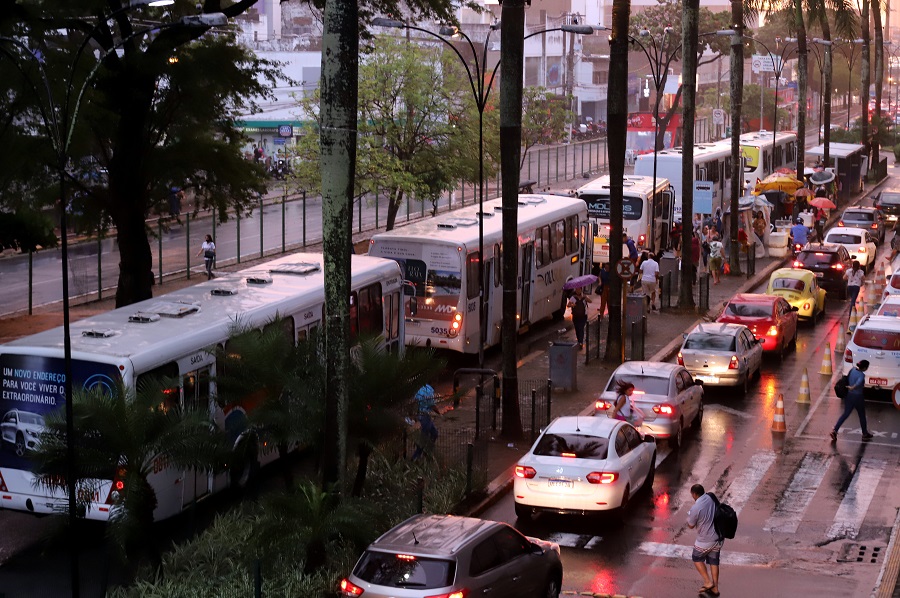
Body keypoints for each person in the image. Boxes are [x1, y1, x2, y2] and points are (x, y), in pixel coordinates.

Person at [687, 484, 723, 597]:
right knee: (713, 562)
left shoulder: (695, 508)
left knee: (696, 558)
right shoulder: (710, 497)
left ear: (694, 494)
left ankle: (708, 582)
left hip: (705, 540)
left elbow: (691, 525)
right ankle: (715, 589)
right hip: (718, 537)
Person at [831, 360, 874, 442]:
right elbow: (858, 383)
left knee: (845, 414)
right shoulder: (861, 375)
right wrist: (853, 387)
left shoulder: (852, 370)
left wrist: (850, 388)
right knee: (862, 415)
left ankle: (835, 430)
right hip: (858, 397)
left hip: (849, 396)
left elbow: (847, 378)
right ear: (864, 368)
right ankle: (864, 433)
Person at [412, 384, 439, 460]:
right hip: (425, 416)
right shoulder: (429, 391)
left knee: (434, 433)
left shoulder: (420, 389)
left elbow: (415, 401)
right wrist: (439, 413)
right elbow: (432, 405)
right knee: (424, 437)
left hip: (421, 415)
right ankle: (416, 456)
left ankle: (427, 450)